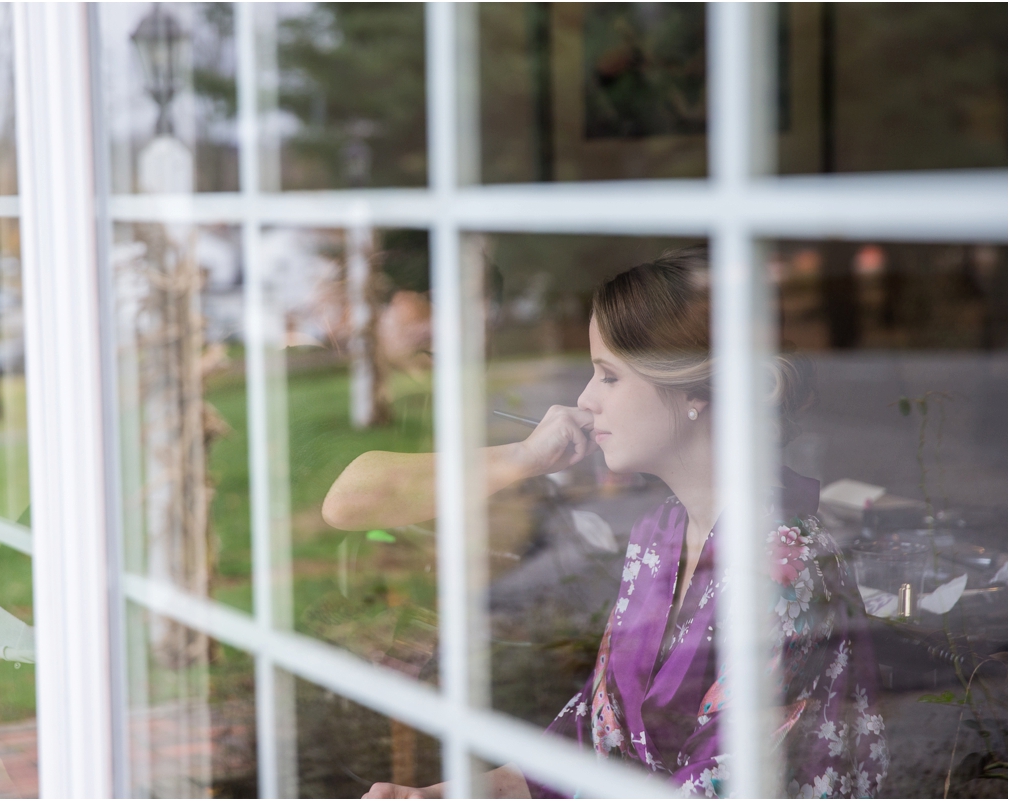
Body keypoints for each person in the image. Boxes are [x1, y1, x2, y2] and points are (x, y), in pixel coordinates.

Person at [329, 248, 886, 799]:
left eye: (608, 376)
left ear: (693, 390)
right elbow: (589, 741)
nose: (585, 400)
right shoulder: (658, 537)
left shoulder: (783, 564)